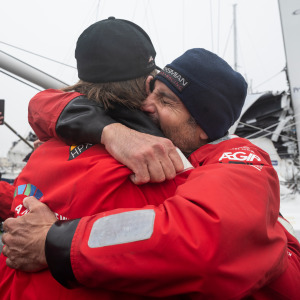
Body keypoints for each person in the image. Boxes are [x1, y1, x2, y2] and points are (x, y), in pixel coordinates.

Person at [3, 45, 300, 298]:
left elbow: (204, 239)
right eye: (153, 91)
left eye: (165, 100)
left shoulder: (240, 162)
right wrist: (108, 130)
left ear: (202, 127)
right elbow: (48, 103)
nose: (145, 105)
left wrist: (52, 242)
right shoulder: (171, 149)